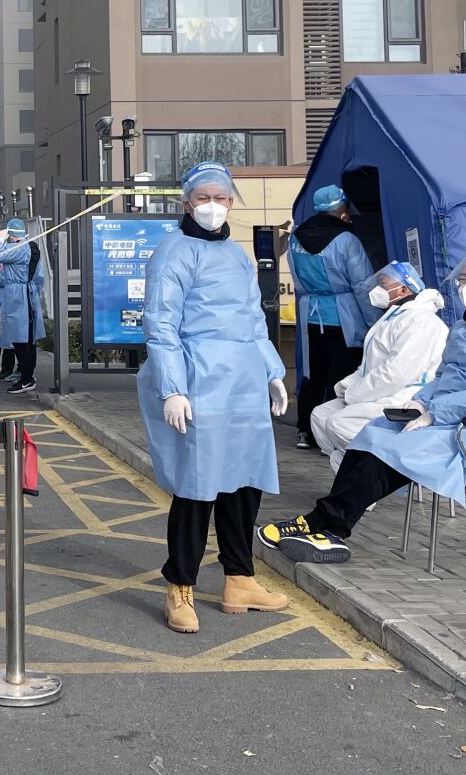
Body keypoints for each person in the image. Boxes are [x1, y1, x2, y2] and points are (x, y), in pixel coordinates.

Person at [261, 247, 466, 565]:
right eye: (464, 278)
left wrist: (435, 412)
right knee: (372, 432)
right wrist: (421, 402)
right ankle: (325, 522)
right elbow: (445, 377)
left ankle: (328, 528)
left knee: (394, 449)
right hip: (454, 416)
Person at [139, 163, 291, 633]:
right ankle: (179, 586)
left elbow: (252, 317)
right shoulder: (173, 252)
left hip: (243, 381)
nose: (212, 206)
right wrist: (173, 388)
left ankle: (239, 578)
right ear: (186, 202)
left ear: (231, 202)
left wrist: (272, 372)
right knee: (196, 485)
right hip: (198, 377)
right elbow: (160, 323)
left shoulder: (237, 255)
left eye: (221, 198)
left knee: (245, 481)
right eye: (203, 197)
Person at [309, 261, 449, 472]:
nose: (378, 290)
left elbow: (397, 374)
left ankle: (366, 480)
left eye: (384, 285)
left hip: (404, 398)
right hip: (376, 393)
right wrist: (347, 385)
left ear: (403, 289)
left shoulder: (422, 322)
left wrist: (356, 393)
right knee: (320, 416)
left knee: (339, 424)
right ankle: (349, 476)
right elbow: (370, 365)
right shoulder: (396, 316)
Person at [286, 184, 380, 451]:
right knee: (342, 376)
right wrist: (376, 321)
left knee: (312, 374)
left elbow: (297, 280)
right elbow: (362, 284)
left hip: (311, 314)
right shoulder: (346, 240)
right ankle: (334, 433)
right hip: (344, 317)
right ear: (341, 208)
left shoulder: (297, 237)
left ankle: (305, 431)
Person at [0, 219, 46, 394]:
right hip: (15, 294)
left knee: (22, 340)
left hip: (19, 296)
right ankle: (25, 376)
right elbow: (5, 275)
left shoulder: (18, 248)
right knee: (19, 339)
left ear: (11, 234)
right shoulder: (19, 248)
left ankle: (27, 378)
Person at [0, 220, 27, 382]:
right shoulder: (9, 249)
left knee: (9, 336)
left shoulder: (16, 248)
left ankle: (10, 369)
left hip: (10, 298)